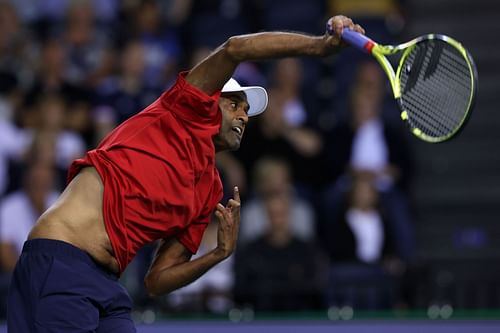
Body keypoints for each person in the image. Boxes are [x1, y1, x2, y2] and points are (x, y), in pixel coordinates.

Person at [7, 15, 365, 331]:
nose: (243, 116)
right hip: (61, 259)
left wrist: (218, 255)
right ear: (210, 100)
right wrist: (319, 46)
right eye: (234, 104)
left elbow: (156, 281)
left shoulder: (209, 189)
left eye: (246, 111)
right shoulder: (183, 111)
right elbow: (236, 47)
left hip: (107, 283)